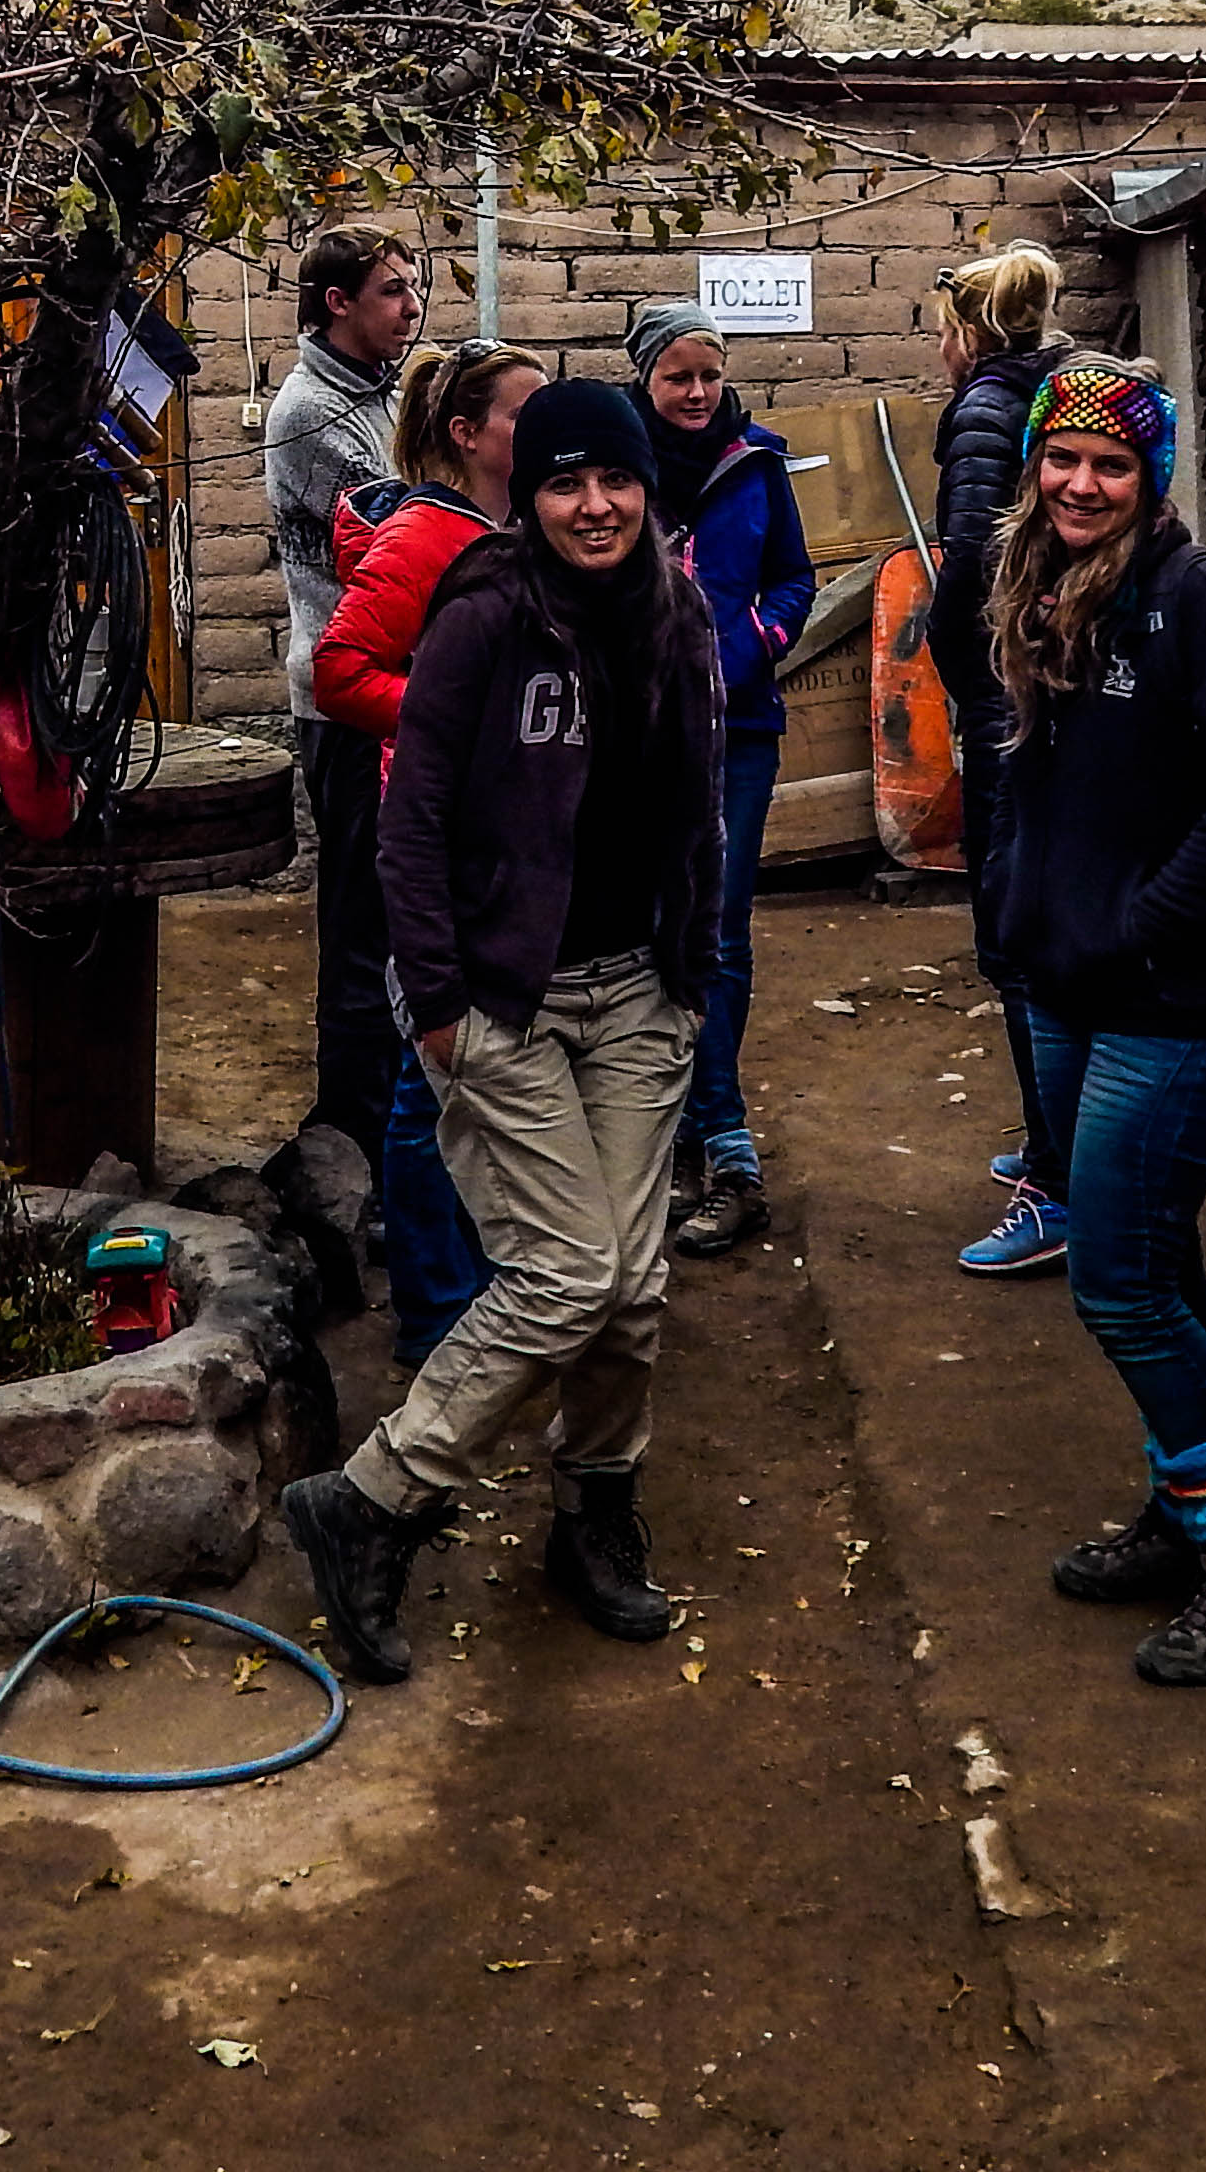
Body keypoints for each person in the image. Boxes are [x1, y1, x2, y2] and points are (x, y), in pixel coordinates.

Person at [281, 380, 723, 1684]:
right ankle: (373, 1497)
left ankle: (595, 1513)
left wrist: (693, 970)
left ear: (645, 487)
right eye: (564, 483)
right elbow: (409, 820)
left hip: (639, 992)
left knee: (633, 1288)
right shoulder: (483, 614)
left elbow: (698, 804)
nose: (594, 506)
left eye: (615, 479)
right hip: (502, 998)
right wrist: (438, 1004)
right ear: (527, 496)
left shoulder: (677, 613)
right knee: (568, 1275)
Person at [982, 359, 1206, 1688]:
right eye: (1062, 458)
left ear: (1154, 477)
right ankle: (1191, 1510)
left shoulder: (1205, 606)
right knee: (1159, 1262)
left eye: (1112, 465)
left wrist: (1144, 922)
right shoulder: (1043, 595)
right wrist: (1023, 915)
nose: (1082, 484)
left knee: (1119, 1283)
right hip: (1068, 991)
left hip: (1176, 1004)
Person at [314, 337, 548, 1368]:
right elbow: (340, 670)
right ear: (467, 433)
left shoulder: (505, 528)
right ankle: (434, 1309)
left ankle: (472, 1282)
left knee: (476, 1070)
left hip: (494, 832)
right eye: (523, 415)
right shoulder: (423, 537)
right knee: (429, 1076)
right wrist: (453, 717)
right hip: (435, 832)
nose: (541, 431)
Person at [624, 299, 816, 1257]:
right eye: (678, 377)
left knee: (722, 928)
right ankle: (660, 1135)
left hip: (739, 730)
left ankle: (724, 1137)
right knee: (645, 925)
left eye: (710, 374)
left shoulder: (758, 463)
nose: (698, 392)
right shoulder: (616, 468)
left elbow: (794, 578)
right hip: (636, 735)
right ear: (646, 379)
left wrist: (746, 647)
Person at [925, 242, 1074, 1277]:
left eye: (942, 329)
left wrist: (961, 675)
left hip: (1008, 703)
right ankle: (1052, 1136)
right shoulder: (1061, 388)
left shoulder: (986, 406)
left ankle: (1055, 1184)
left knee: (1015, 934)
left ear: (970, 331)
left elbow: (974, 569)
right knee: (1041, 925)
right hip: (1051, 691)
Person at [265, 222, 424, 1166]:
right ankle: (353, 1138)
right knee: (364, 922)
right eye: (392, 290)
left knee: (400, 913)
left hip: (390, 686)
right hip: (347, 699)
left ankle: (390, 1125)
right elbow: (405, 528)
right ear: (338, 303)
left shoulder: (377, 392)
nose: (411, 307)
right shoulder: (311, 414)